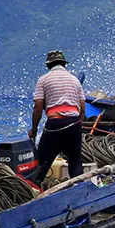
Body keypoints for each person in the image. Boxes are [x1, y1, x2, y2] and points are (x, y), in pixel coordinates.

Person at [27, 50, 86, 187]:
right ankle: (80, 189)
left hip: (54, 123)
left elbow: (38, 107)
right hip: (74, 123)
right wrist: (79, 123)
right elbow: (82, 106)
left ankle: (32, 191)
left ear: (48, 65)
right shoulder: (74, 80)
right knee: (75, 160)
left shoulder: (43, 80)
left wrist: (34, 129)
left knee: (43, 161)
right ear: (64, 64)